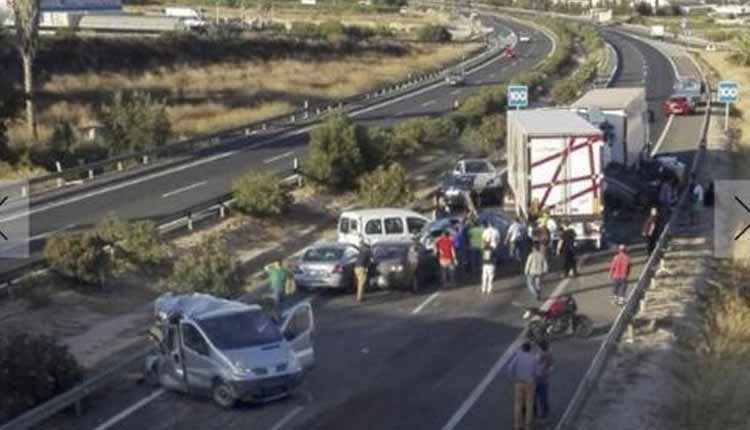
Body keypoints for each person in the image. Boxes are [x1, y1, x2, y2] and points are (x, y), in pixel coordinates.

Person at [507, 342, 538, 430]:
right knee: (529, 404)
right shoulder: (533, 358)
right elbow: (537, 371)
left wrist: (513, 377)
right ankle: (527, 426)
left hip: (519, 382)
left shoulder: (518, 356)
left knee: (518, 404)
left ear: (523, 348)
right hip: (530, 383)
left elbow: (510, 367)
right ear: (530, 349)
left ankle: (517, 426)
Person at [535, 340, 555, 424]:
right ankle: (543, 417)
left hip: (536, 381)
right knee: (543, 399)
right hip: (542, 381)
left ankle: (536, 416)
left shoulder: (538, 356)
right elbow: (551, 368)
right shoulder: (549, 356)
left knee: (534, 399)